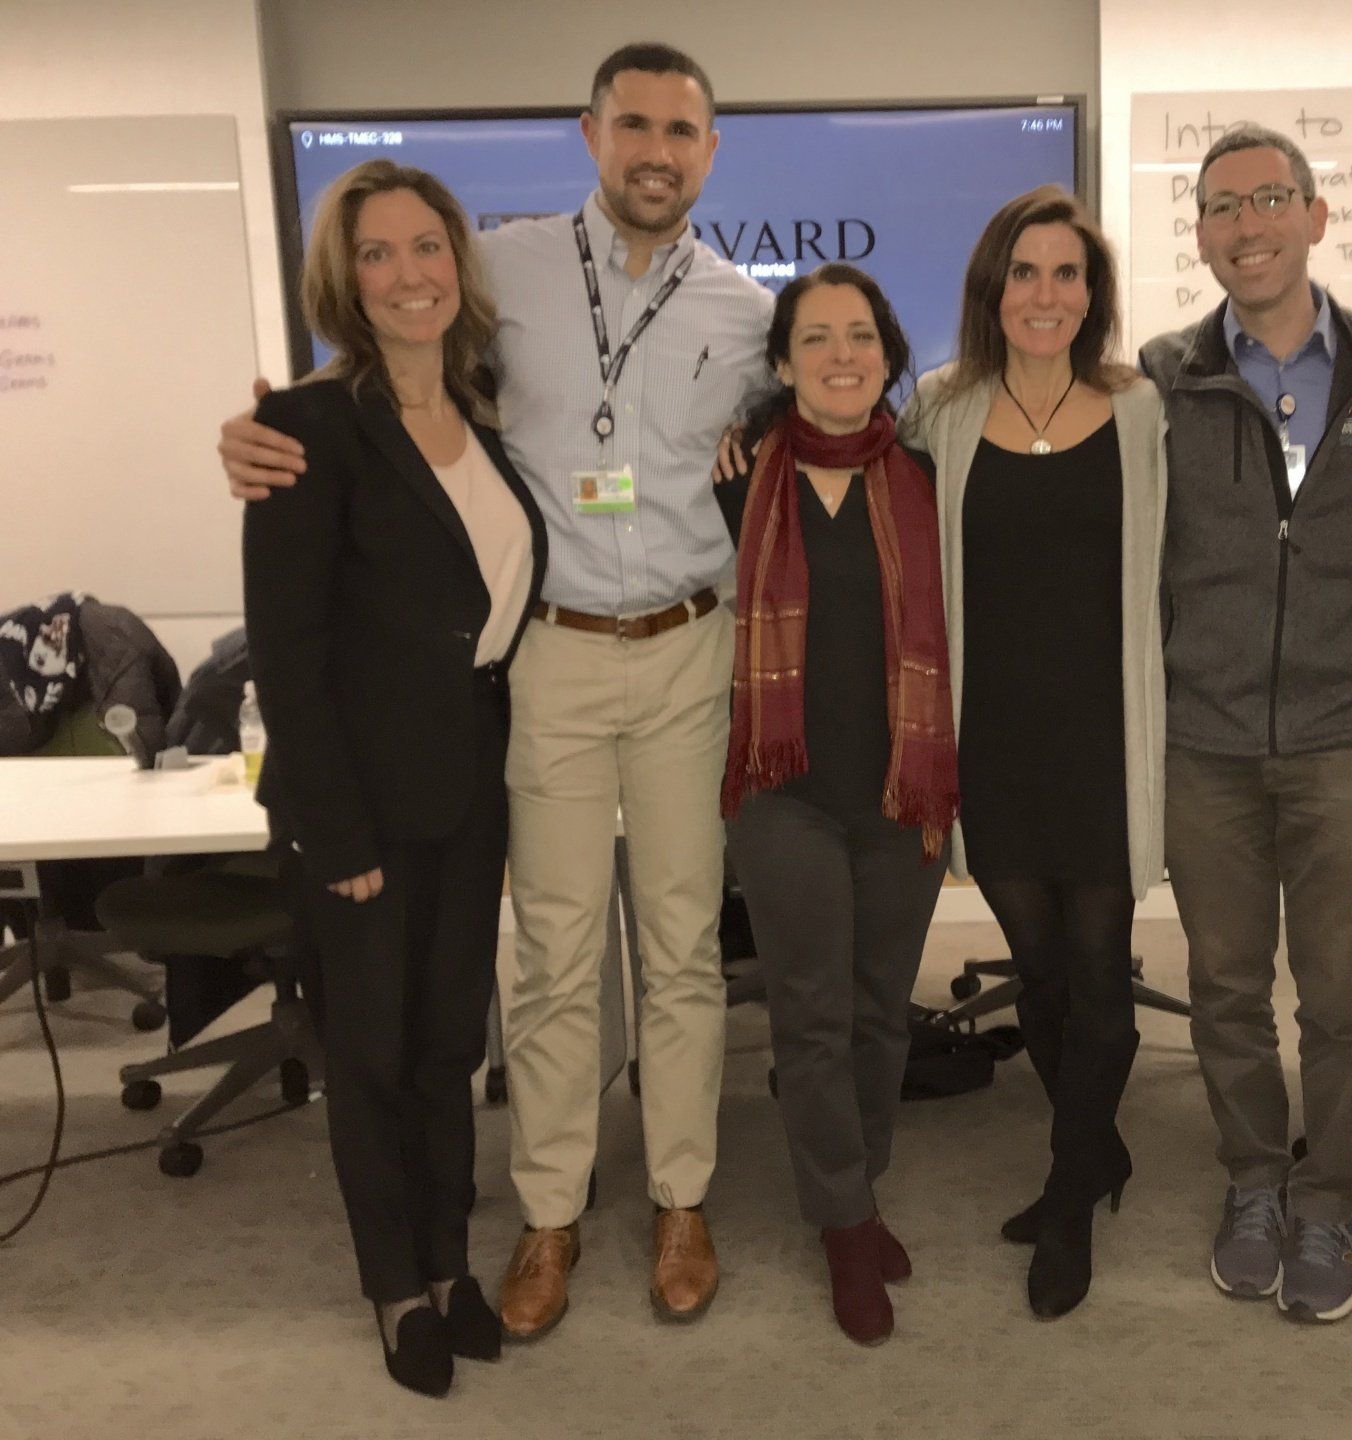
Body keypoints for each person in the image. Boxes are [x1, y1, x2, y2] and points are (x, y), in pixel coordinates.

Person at [219, 43, 774, 1337]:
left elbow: (838, 425)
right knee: (555, 953)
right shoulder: (502, 275)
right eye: (630, 123)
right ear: (591, 135)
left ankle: (682, 1197)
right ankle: (551, 1212)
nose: (654, 149)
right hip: (555, 657)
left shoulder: (749, 315)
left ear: (709, 151)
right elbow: (380, 396)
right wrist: (252, 432)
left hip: (695, 648)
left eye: (680, 131)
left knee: (686, 945)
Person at [242, 159, 546, 1396]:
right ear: (344, 278)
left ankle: (453, 1267)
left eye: (427, 248)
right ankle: (394, 1290)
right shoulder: (307, 429)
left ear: (457, 266)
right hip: (360, 804)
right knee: (369, 1055)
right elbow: (288, 651)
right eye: (378, 253)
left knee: (447, 1046)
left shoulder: (481, 407)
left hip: (473, 786)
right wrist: (332, 826)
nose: (408, 274)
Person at [1137, 127, 1352, 1323]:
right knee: (1227, 986)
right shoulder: (1161, 375)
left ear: (1313, 215)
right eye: (1220, 207)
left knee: (1343, 993)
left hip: (1350, 736)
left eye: (1267, 200)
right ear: (1199, 234)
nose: (1245, 226)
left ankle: (1334, 1195)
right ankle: (1254, 1180)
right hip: (1205, 743)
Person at [901, 185, 1167, 1320]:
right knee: (1044, 972)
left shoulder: (1145, 409)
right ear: (991, 292)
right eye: (1025, 273)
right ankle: (1093, 1153)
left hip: (1108, 734)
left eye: (1067, 274)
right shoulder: (941, 410)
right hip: (996, 738)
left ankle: (1069, 1192)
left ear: (1093, 296)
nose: (1045, 295)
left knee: (1101, 976)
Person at [711, 264, 956, 1346]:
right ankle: (846, 1225)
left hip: (899, 792)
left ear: (888, 353)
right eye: (817, 338)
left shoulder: (929, 475)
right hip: (785, 793)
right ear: (781, 362)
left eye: (861, 335)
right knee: (811, 1017)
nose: (842, 354)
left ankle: (856, 1184)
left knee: (880, 1014)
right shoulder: (737, 481)